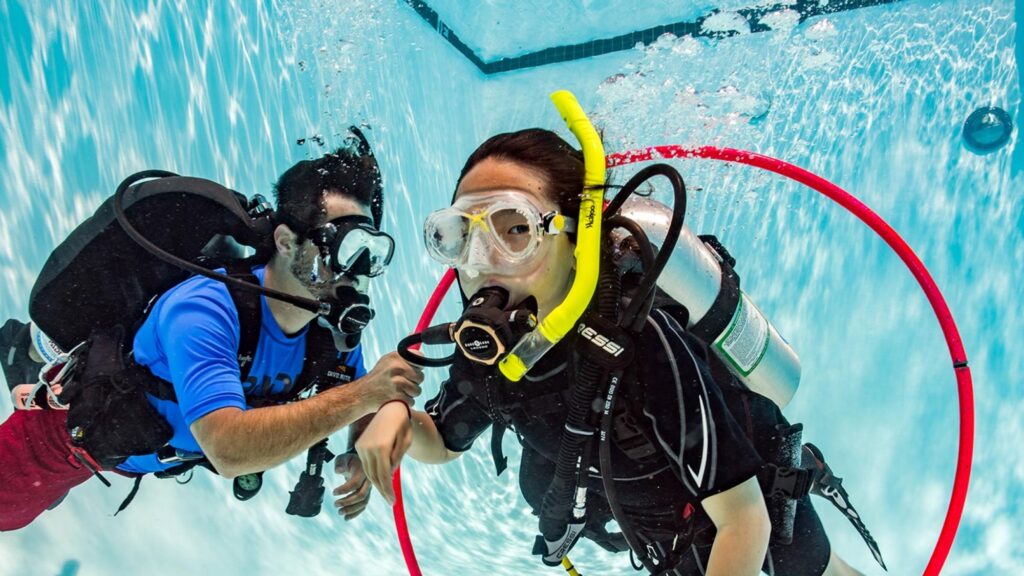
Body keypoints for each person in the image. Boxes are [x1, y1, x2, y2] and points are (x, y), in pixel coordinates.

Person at [350, 129, 869, 575]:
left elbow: (744, 517)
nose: (482, 263)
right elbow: (443, 440)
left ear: (578, 236)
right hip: (647, 531)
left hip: (748, 534)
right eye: (461, 235)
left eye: (516, 230)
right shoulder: (487, 346)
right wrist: (397, 415)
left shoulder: (643, 345)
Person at [0, 132, 424, 531]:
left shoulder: (329, 328)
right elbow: (228, 449)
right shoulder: (204, 307)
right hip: (72, 438)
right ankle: (29, 358)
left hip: (150, 450)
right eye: (344, 247)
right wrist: (367, 394)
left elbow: (362, 392)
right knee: (7, 514)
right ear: (286, 242)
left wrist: (363, 444)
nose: (358, 271)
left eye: (370, 251)